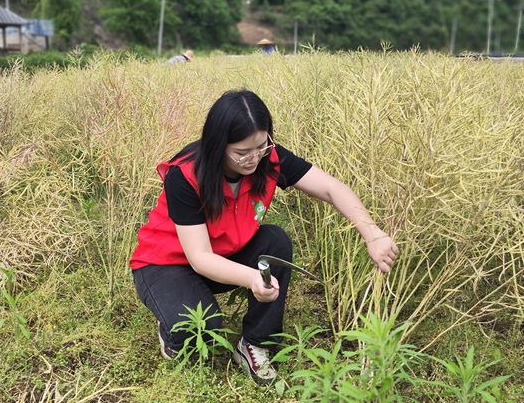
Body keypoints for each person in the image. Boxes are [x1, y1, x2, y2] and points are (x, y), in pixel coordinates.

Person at [129, 89, 399, 385]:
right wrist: (251, 278)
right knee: (199, 329)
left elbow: (331, 189)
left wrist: (372, 233)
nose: (253, 158)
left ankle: (253, 344)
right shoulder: (186, 175)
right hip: (166, 264)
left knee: (275, 241)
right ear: (217, 144)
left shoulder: (269, 158)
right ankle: (172, 324)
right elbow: (199, 257)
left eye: (261, 146)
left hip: (223, 257)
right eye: (241, 152)